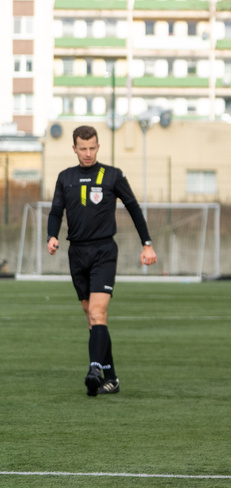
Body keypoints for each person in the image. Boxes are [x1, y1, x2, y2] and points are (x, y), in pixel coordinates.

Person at [47, 125, 158, 397]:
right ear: (74, 148)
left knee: (98, 313)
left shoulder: (112, 176)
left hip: (104, 252)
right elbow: (55, 210)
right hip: (77, 253)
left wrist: (147, 244)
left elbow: (133, 207)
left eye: (92, 147)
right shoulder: (65, 178)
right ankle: (112, 378)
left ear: (98, 146)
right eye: (82, 148)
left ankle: (95, 369)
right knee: (92, 319)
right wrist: (52, 236)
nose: (88, 153)